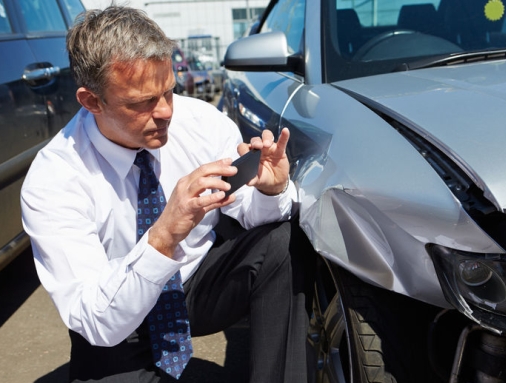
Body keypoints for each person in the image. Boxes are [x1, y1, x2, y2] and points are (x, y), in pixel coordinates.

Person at [20, 5, 315, 383]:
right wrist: (162, 236)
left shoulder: (201, 123)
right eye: (141, 102)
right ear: (91, 101)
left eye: (169, 92)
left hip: (195, 285)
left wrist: (271, 192)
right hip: (119, 317)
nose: (165, 112)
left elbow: (249, 214)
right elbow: (96, 320)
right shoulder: (55, 178)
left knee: (283, 242)